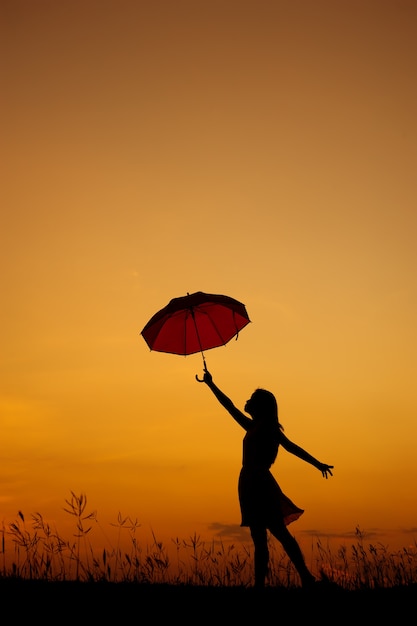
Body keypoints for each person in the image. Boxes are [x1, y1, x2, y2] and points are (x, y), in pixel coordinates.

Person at [196, 368, 334, 589]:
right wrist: (211, 384)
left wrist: (318, 464)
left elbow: (291, 447)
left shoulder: (268, 428)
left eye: (252, 398)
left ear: (260, 406)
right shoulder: (253, 426)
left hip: (259, 482)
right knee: (260, 538)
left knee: (278, 533)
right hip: (249, 482)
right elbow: (229, 406)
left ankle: (304, 578)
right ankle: (263, 584)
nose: (247, 400)